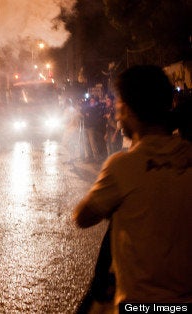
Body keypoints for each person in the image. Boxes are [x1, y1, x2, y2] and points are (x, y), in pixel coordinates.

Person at [73, 65, 192, 309]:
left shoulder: (123, 166)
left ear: (127, 108)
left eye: (118, 107)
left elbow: (82, 217)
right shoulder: (188, 154)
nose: (117, 115)